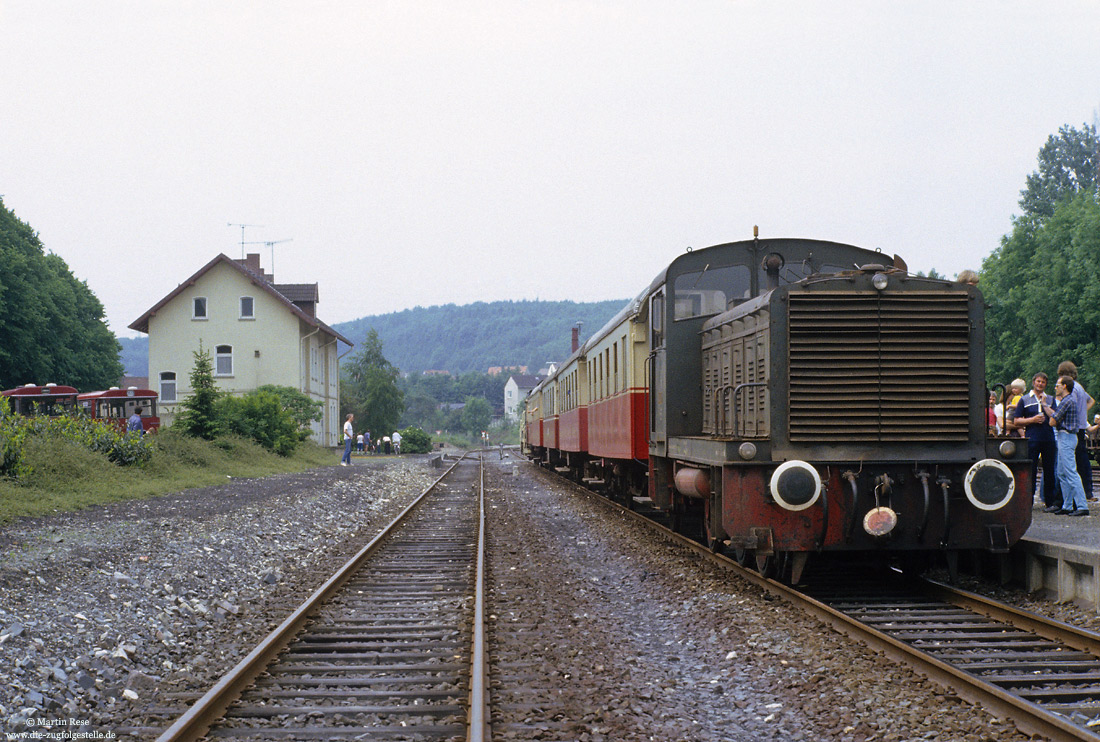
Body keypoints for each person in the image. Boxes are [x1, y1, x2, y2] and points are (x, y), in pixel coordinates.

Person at [1043, 376, 1089, 516]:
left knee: (1070, 472)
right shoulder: (1069, 401)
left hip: (1066, 437)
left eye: (1057, 385)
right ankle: (1067, 505)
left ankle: (1082, 505)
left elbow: (1052, 422)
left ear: (1064, 386)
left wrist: (1048, 409)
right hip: (1068, 437)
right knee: (1062, 473)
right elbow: (1055, 417)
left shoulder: (1066, 401)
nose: (1055, 388)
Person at [1014, 372, 1058, 510]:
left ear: (1046, 384)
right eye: (1038, 381)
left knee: (1050, 470)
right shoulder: (1025, 399)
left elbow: (1056, 416)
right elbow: (1016, 420)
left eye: (1043, 382)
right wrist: (1032, 420)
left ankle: (1050, 502)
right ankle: (1029, 500)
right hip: (1033, 438)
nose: (1040, 384)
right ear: (1034, 382)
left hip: (1048, 438)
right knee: (1030, 470)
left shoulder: (1050, 399)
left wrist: (1046, 407)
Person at [1057, 361, 1095, 501]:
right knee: (1082, 459)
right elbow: (1091, 401)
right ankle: (1088, 491)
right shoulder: (1080, 387)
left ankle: (1079, 495)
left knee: (1073, 462)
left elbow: (1067, 405)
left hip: (1073, 428)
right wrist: (1083, 413)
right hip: (1080, 426)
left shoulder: (1071, 388)